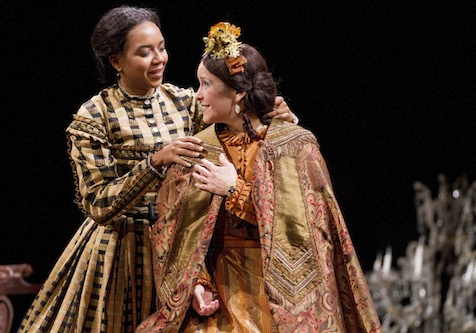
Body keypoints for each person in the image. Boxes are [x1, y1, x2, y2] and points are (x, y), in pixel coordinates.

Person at [18, 7, 295, 333]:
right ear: (116, 61)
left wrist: (271, 117)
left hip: (182, 245)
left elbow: (233, 120)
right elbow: (97, 203)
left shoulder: (185, 102)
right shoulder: (95, 116)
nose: (158, 59)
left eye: (161, 48)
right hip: (122, 252)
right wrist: (154, 163)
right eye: (144, 52)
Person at [136, 22, 382, 332]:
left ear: (238, 92)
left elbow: (304, 234)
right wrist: (196, 282)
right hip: (220, 290)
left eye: (205, 84)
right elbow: (176, 230)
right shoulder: (199, 149)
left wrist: (233, 188)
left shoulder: (293, 146)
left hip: (281, 294)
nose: (197, 96)